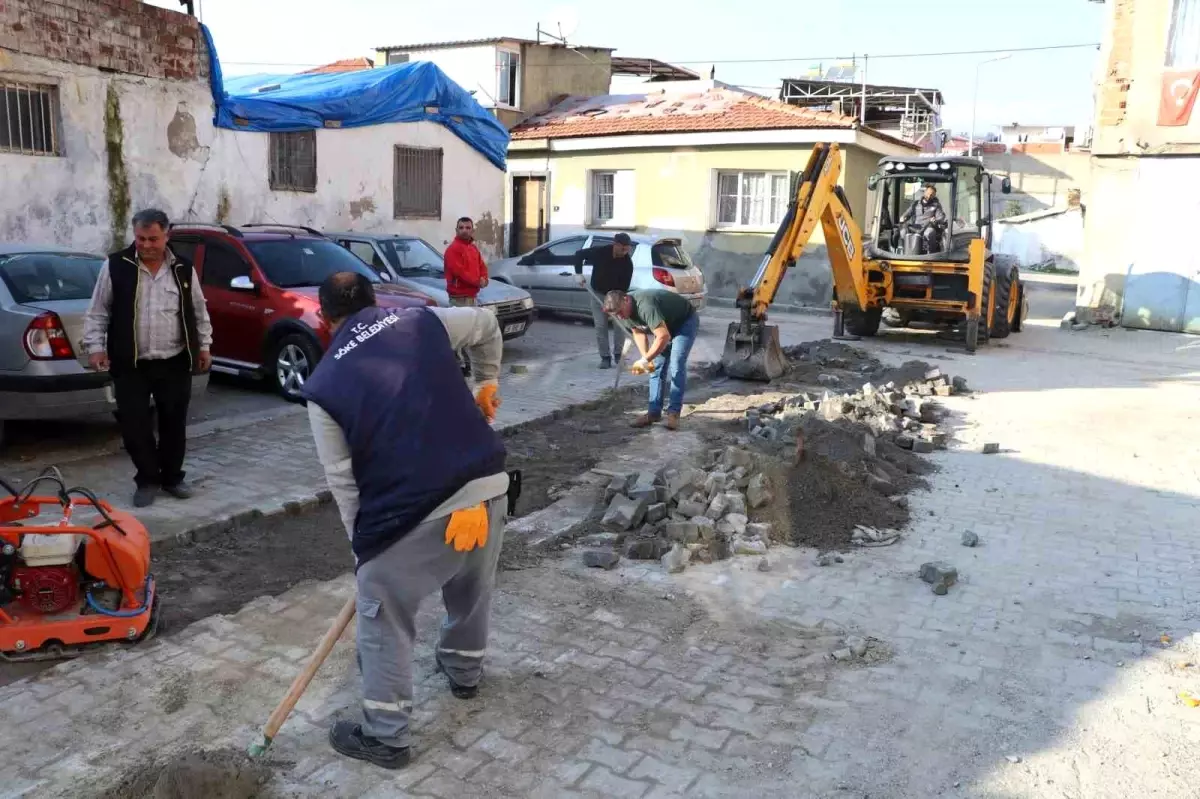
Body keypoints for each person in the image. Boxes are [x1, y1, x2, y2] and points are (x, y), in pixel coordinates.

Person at [301, 271, 509, 771]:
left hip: (416, 507)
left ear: (325, 321)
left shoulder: (323, 386)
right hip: (489, 484)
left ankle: (387, 736)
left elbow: (343, 481)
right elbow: (487, 322)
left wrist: (364, 555)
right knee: (471, 584)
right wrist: (487, 382)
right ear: (376, 301)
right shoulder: (423, 320)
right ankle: (464, 671)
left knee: (383, 613)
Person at [81, 208, 213, 508]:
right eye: (140, 238)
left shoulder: (183, 268)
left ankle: (172, 478)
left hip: (174, 361)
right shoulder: (116, 266)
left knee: (173, 424)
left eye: (153, 238)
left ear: (167, 235)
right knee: (134, 426)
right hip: (131, 364)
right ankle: (147, 480)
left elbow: (198, 311)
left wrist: (204, 346)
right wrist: (96, 347)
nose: (146, 245)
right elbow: (98, 310)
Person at [603, 288, 699, 431]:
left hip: (684, 322)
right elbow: (638, 332)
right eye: (616, 315)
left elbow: (663, 336)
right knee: (656, 367)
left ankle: (673, 414)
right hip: (664, 325)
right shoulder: (623, 313)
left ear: (626, 299)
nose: (620, 317)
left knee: (676, 363)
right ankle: (654, 413)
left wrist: (645, 359)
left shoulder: (645, 306)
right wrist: (646, 359)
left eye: (620, 312)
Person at [574, 232, 634, 368]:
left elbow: (623, 288)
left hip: (616, 296)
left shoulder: (627, 264)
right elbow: (579, 255)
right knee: (601, 326)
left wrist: (613, 302)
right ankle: (605, 357)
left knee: (619, 326)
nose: (625, 252)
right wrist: (578, 273)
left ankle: (619, 356)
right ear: (615, 245)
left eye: (627, 249)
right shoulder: (601, 252)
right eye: (622, 248)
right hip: (598, 294)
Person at [443, 216, 489, 307]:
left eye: (468, 228)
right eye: (461, 228)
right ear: (456, 230)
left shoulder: (473, 248)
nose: (464, 230)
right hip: (459, 299)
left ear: (472, 231)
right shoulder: (453, 249)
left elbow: (482, 267)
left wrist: (485, 280)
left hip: (473, 298)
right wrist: (478, 282)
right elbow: (460, 272)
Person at [899, 182, 947, 253]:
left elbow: (941, 217)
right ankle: (904, 252)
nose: (929, 196)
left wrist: (936, 220)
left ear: (934, 196)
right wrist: (903, 217)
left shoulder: (936, 205)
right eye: (928, 193)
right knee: (903, 232)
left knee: (929, 233)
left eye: (932, 195)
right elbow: (906, 214)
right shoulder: (915, 204)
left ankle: (930, 254)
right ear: (924, 192)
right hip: (915, 227)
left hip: (928, 227)